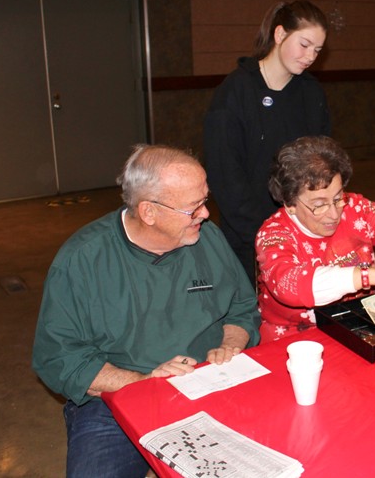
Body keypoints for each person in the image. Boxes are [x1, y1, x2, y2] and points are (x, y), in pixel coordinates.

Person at [32, 144, 261, 478]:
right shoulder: (83, 259)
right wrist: (142, 381)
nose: (206, 214)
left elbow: (241, 308)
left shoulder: (207, 238)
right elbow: (58, 358)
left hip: (209, 381)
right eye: (193, 207)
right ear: (149, 212)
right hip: (117, 400)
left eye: (204, 200)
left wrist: (231, 344)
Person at [204, 0, 332, 286]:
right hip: (248, 237)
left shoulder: (311, 93)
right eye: (304, 44)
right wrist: (262, 236)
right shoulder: (235, 91)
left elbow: (323, 164)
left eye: (318, 50)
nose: (310, 56)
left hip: (302, 231)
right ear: (279, 35)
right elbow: (224, 174)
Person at [256, 136, 375, 342]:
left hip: (363, 328)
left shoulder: (355, 208)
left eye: (338, 198)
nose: (334, 214)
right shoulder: (274, 234)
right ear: (290, 204)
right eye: (319, 205)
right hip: (297, 340)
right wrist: (370, 276)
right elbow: (289, 283)